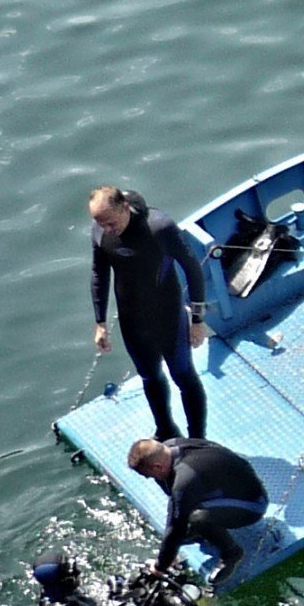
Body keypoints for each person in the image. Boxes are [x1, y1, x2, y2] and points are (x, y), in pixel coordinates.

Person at [89, 184, 208, 440]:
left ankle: (198, 439)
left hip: (167, 315)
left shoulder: (159, 227)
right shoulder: (100, 230)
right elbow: (99, 274)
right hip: (132, 319)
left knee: (183, 376)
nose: (107, 229)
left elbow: (192, 268)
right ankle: (165, 429)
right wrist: (100, 322)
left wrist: (197, 320)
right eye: (101, 224)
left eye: (110, 222)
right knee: (150, 376)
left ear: (124, 207)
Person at [129, 436, 268, 587]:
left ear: (157, 466)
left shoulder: (184, 480)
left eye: (148, 475)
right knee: (183, 511)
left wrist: (159, 568)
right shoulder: (171, 446)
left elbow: (175, 528)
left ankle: (232, 553)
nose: (149, 478)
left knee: (197, 519)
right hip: (230, 487)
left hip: (252, 505)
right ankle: (201, 530)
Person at [30, 549, 101, 606]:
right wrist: (115, 595)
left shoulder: (51, 593)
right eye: (74, 573)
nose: (79, 572)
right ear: (68, 581)